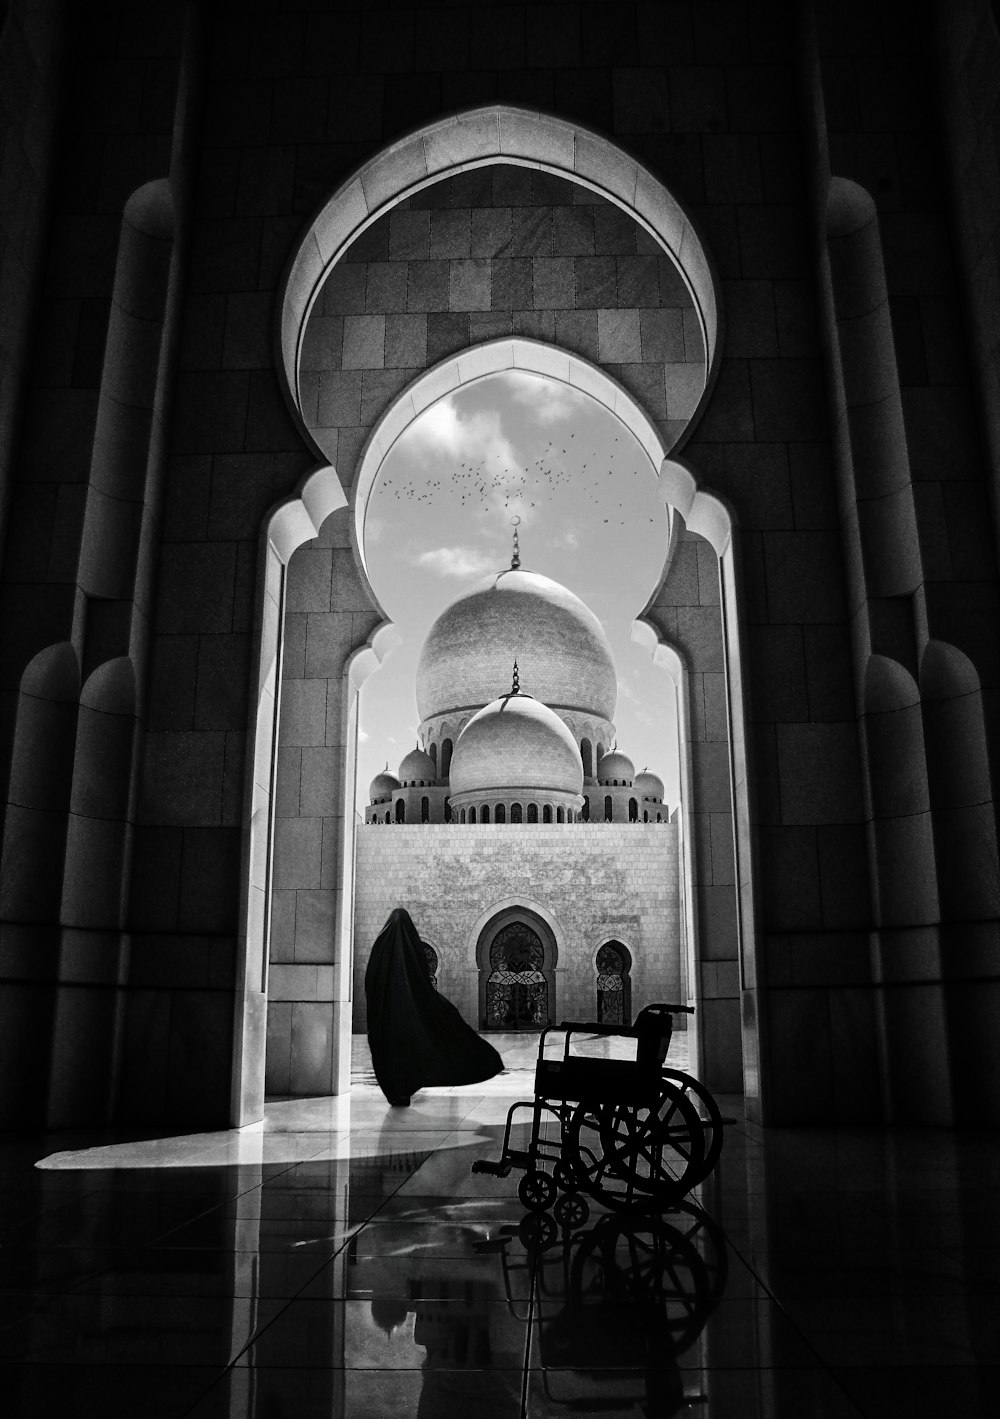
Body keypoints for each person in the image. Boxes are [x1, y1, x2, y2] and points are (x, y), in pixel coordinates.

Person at [365, 907, 504, 1106]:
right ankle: (404, 1089)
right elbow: (422, 982)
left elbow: (371, 983)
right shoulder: (411, 952)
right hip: (409, 1018)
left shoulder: (381, 950)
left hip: (386, 1020)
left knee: (390, 1053)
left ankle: (396, 1092)